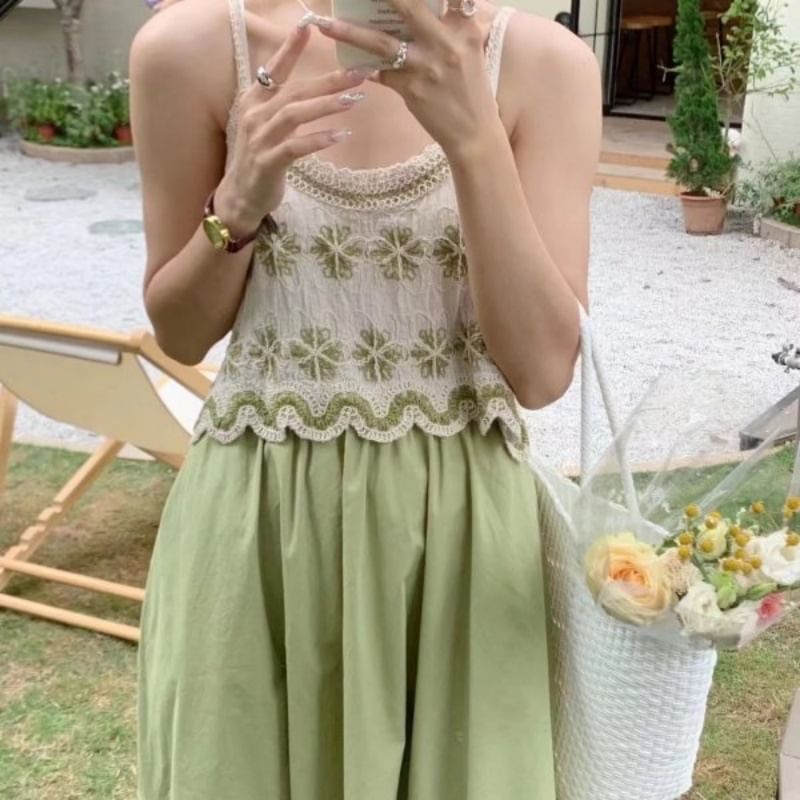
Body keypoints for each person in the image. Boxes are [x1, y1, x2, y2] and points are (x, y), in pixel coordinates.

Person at [130, 0, 601, 796]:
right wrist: (236, 206)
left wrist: (475, 139)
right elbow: (180, 332)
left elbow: (542, 372)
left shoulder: (546, 65)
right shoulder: (189, 49)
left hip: (461, 546)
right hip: (257, 533)